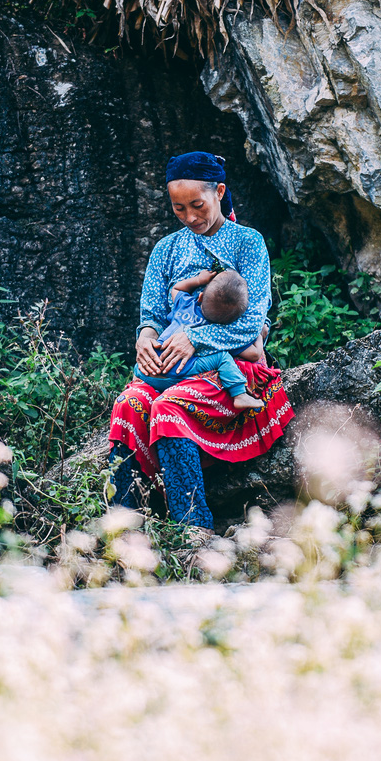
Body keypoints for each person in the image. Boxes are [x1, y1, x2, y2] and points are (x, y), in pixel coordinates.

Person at [109, 150, 294, 533]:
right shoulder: (166, 249)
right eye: (179, 209)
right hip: (171, 364)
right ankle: (123, 527)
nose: (190, 217)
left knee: (169, 407)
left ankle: (192, 530)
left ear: (219, 192)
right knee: (129, 403)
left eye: (197, 205)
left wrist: (195, 337)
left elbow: (252, 322)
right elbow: (152, 315)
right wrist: (145, 338)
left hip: (228, 365)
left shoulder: (248, 243)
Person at [133, 267, 265, 411]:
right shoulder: (220, 334)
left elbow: (175, 289)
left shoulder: (185, 304)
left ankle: (137, 382)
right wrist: (259, 334)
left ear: (200, 297)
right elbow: (254, 354)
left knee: (150, 351)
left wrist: (199, 280)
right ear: (231, 321)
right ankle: (239, 395)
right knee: (222, 357)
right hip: (179, 375)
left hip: (147, 370)